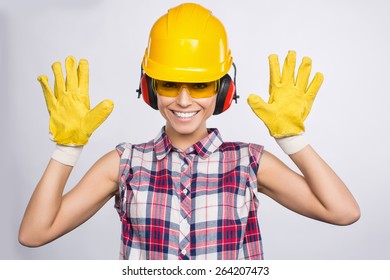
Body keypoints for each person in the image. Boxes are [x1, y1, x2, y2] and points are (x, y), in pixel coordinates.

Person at [19, 3, 360, 260]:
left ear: (223, 89)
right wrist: (67, 148)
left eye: (199, 85)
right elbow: (34, 233)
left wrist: (292, 139)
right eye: (169, 84)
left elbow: (343, 212)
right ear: (149, 88)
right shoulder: (124, 163)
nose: (183, 100)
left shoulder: (248, 162)